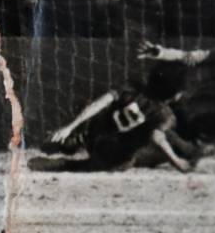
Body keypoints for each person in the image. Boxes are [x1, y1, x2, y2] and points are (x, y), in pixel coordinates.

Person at [38, 61, 198, 173]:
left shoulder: (131, 88)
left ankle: (79, 138)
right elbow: (157, 137)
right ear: (176, 94)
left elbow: (99, 103)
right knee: (163, 139)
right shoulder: (165, 114)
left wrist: (69, 127)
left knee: (111, 122)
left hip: (96, 138)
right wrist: (176, 162)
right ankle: (194, 150)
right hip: (113, 159)